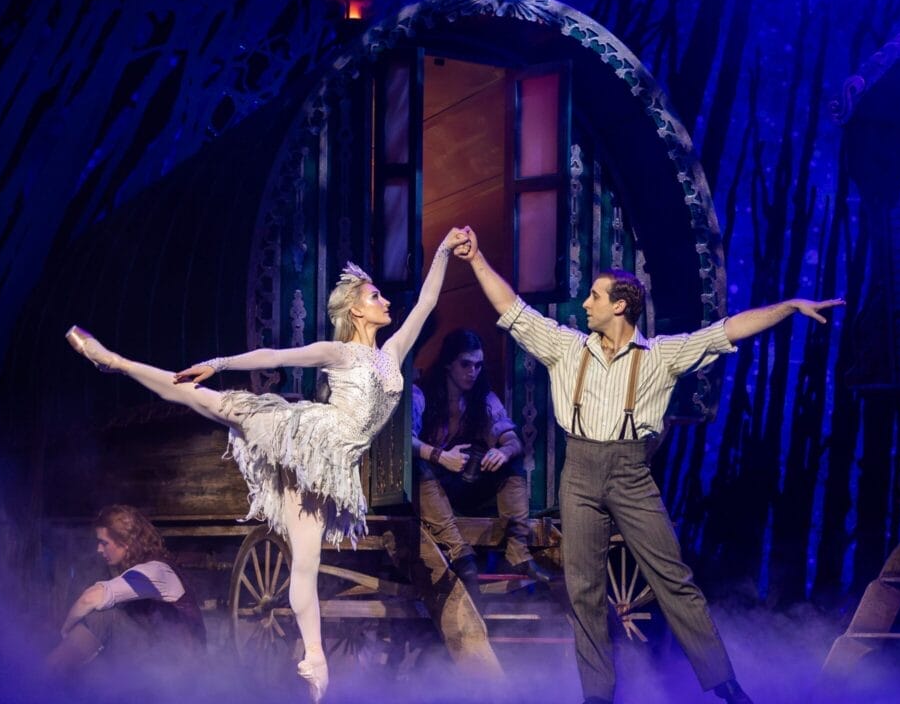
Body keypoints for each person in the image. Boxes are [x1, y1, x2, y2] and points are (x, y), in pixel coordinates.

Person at [65, 228, 471, 702]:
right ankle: (114, 361)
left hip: (332, 466)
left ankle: (315, 664)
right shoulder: (340, 352)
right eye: (375, 295)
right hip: (302, 435)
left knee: (306, 564)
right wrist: (218, 362)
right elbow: (275, 354)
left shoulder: (393, 353)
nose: (385, 301)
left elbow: (426, 301)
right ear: (357, 310)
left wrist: (444, 249)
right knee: (211, 402)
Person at [455, 227, 843, 704]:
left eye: (595, 297)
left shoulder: (661, 355)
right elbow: (510, 307)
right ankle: (597, 696)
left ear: (620, 305)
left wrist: (788, 307)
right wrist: (476, 260)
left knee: (674, 579)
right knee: (584, 590)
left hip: (631, 473)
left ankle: (726, 684)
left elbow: (728, 329)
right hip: (578, 472)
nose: (586, 304)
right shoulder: (566, 346)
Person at [411, 329, 550, 594]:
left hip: (466, 485)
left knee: (512, 463)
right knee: (418, 467)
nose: (472, 372)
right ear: (449, 363)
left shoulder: (483, 398)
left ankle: (518, 552)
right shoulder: (422, 394)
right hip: (434, 487)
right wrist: (441, 456)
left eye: (477, 365)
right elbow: (407, 441)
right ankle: (460, 553)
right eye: (465, 364)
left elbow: (513, 440)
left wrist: (503, 452)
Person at [47, 505, 206, 677]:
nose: (99, 549)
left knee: (103, 616)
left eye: (104, 543)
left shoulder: (156, 571)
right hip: (158, 657)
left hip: (181, 667)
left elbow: (90, 599)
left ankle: (45, 676)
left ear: (126, 542)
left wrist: (64, 631)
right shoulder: (139, 572)